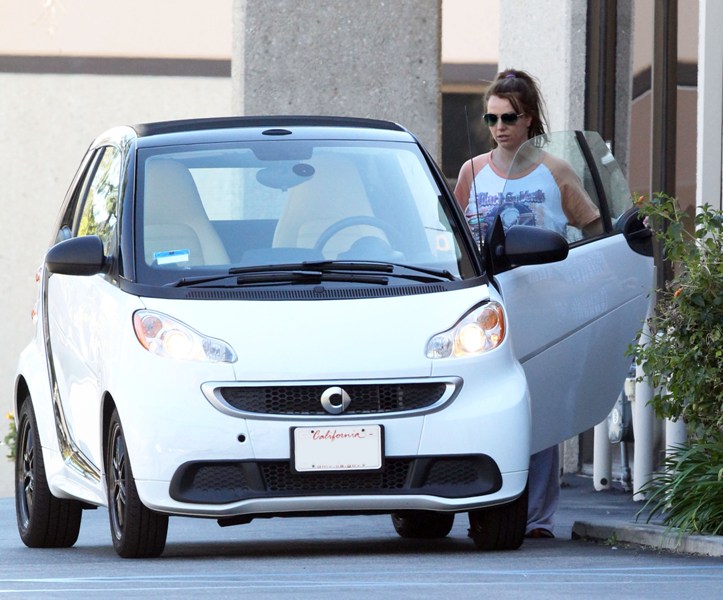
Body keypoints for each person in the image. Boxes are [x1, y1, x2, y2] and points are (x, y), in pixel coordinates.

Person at [453, 68, 601, 539]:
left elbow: (594, 231)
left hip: (545, 307)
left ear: (529, 118)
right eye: (491, 118)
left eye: (509, 118)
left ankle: (537, 518)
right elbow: (454, 241)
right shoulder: (472, 172)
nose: (499, 127)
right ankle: (486, 510)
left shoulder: (554, 171)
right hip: (484, 311)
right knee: (484, 406)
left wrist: (581, 282)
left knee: (538, 410)